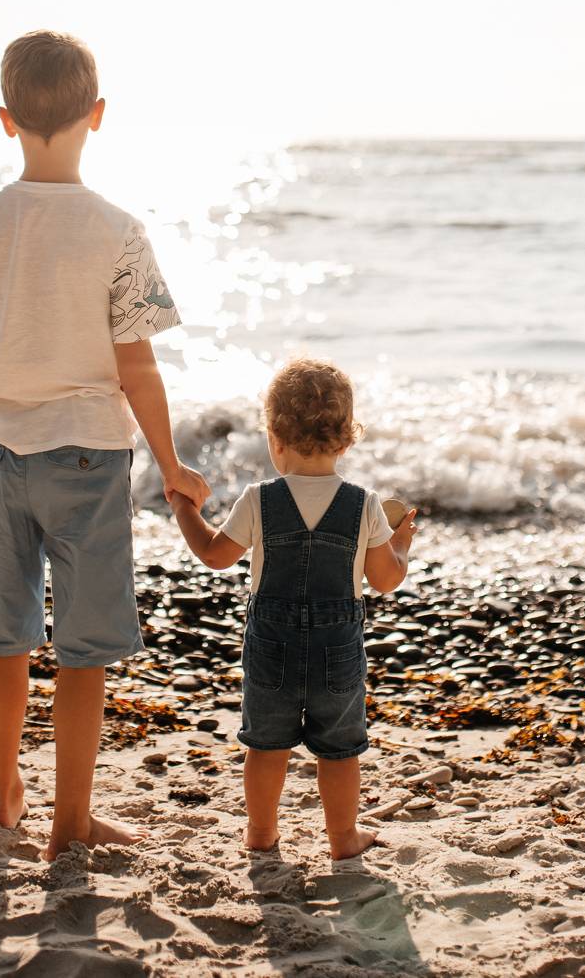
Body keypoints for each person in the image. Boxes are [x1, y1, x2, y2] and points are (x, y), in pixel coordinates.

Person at [0, 29, 209, 857]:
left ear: (5, 118)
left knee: (5, 638)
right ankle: (70, 821)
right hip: (89, 458)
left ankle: (1, 796)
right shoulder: (119, 230)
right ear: (97, 114)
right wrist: (172, 465)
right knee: (83, 652)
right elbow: (137, 367)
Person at [169, 356, 416, 858]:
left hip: (271, 647)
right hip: (337, 650)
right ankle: (343, 839)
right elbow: (385, 580)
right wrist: (401, 545)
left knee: (266, 745)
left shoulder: (259, 499)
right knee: (340, 750)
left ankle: (261, 834)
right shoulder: (365, 504)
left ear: (275, 439)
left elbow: (215, 555)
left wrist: (183, 508)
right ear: (346, 440)